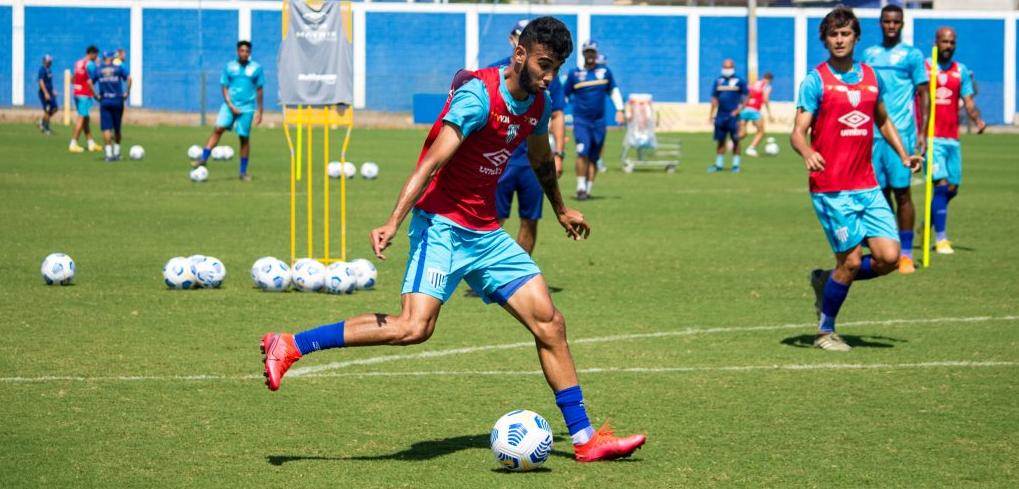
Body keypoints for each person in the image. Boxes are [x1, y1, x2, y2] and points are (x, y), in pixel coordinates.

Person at [260, 17, 646, 462]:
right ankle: (290, 344)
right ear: (520, 54)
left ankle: (584, 440)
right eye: (544, 64)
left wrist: (560, 209)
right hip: (441, 226)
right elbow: (430, 164)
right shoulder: (478, 96)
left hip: (485, 232)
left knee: (550, 323)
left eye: (557, 67)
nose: (550, 76)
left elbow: (541, 156)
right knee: (414, 328)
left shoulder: (539, 103)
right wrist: (392, 220)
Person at [790, 6, 922, 352]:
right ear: (825, 39)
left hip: (867, 185)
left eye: (845, 33)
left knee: (890, 258)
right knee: (849, 261)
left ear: (856, 37)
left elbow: (883, 120)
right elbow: (797, 132)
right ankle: (825, 332)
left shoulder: (870, 77)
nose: (839, 39)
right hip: (831, 188)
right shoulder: (816, 80)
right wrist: (806, 152)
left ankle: (826, 280)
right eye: (833, 34)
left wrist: (904, 154)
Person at [488, 19, 567, 256]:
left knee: (530, 219)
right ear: (514, 42)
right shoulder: (495, 73)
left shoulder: (547, 72)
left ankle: (517, 278)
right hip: (499, 162)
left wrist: (559, 154)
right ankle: (486, 278)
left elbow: (557, 114)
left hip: (532, 162)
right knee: (492, 221)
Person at [862, 4, 929, 274]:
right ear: (880, 23)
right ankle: (885, 244)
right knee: (877, 195)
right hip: (872, 136)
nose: (892, 26)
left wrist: (922, 132)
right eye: (887, 22)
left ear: (902, 24)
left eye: (896, 22)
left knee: (903, 193)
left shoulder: (912, 55)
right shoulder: (868, 54)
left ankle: (905, 254)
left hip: (901, 134)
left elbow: (923, 94)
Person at [926, 27, 986, 254]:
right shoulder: (925, 67)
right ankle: (941, 239)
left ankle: (929, 223)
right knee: (940, 186)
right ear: (936, 42)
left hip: (952, 139)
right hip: (932, 139)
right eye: (944, 41)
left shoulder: (960, 70)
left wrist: (978, 120)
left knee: (952, 188)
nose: (948, 46)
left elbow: (968, 101)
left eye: (951, 42)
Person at [192, 40, 264, 181]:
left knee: (244, 138)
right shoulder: (229, 67)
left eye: (247, 51)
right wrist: (230, 105)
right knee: (218, 129)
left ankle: (243, 173)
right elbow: (224, 86)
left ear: (250, 53)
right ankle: (203, 159)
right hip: (229, 105)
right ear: (237, 52)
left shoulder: (256, 68)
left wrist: (260, 110)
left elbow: (260, 89)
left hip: (247, 107)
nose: (244, 53)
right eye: (242, 51)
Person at [564, 40, 624, 200]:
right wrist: (555, 114)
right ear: (583, 54)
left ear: (596, 54)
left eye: (592, 52)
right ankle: (580, 187)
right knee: (582, 152)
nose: (590, 55)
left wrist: (620, 110)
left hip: (599, 122)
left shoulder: (605, 72)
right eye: (587, 52)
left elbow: (614, 90)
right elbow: (564, 95)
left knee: (594, 157)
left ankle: (588, 189)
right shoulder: (574, 74)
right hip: (581, 121)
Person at [707, 59, 748, 173]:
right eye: (725, 67)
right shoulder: (718, 81)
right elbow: (714, 98)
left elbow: (745, 98)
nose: (727, 69)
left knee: (735, 140)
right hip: (720, 116)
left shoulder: (739, 81)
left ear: (733, 68)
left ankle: (736, 165)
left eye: (729, 67)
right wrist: (711, 114)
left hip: (733, 116)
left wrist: (738, 110)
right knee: (720, 140)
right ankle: (719, 164)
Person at [89, 51, 130, 161]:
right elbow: (130, 78)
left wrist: (95, 95)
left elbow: (89, 82)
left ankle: (108, 154)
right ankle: (116, 153)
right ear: (112, 58)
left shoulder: (98, 69)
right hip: (117, 100)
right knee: (117, 128)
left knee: (106, 128)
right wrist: (127, 92)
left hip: (105, 100)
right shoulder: (118, 68)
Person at [69, 46, 101, 153]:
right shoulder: (90, 64)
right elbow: (96, 76)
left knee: (86, 119)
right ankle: (73, 144)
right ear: (92, 53)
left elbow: (72, 79)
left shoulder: (78, 62)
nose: (97, 57)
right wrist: (95, 94)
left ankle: (91, 143)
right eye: (96, 54)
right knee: (81, 119)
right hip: (84, 94)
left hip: (76, 93)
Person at [740, 72, 774, 157]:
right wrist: (769, 113)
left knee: (743, 133)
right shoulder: (767, 86)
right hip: (754, 110)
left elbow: (745, 94)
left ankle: (732, 143)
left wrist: (741, 107)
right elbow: (765, 99)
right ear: (770, 80)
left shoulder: (754, 83)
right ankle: (751, 148)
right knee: (761, 132)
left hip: (745, 109)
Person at [37, 54, 57, 135]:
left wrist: (52, 91)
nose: (50, 62)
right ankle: (45, 128)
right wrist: (45, 93)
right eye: (49, 61)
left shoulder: (49, 70)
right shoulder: (42, 70)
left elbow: (49, 82)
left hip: (50, 93)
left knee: (55, 108)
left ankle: (42, 122)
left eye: (50, 61)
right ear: (45, 61)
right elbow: (40, 82)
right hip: (44, 93)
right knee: (47, 110)